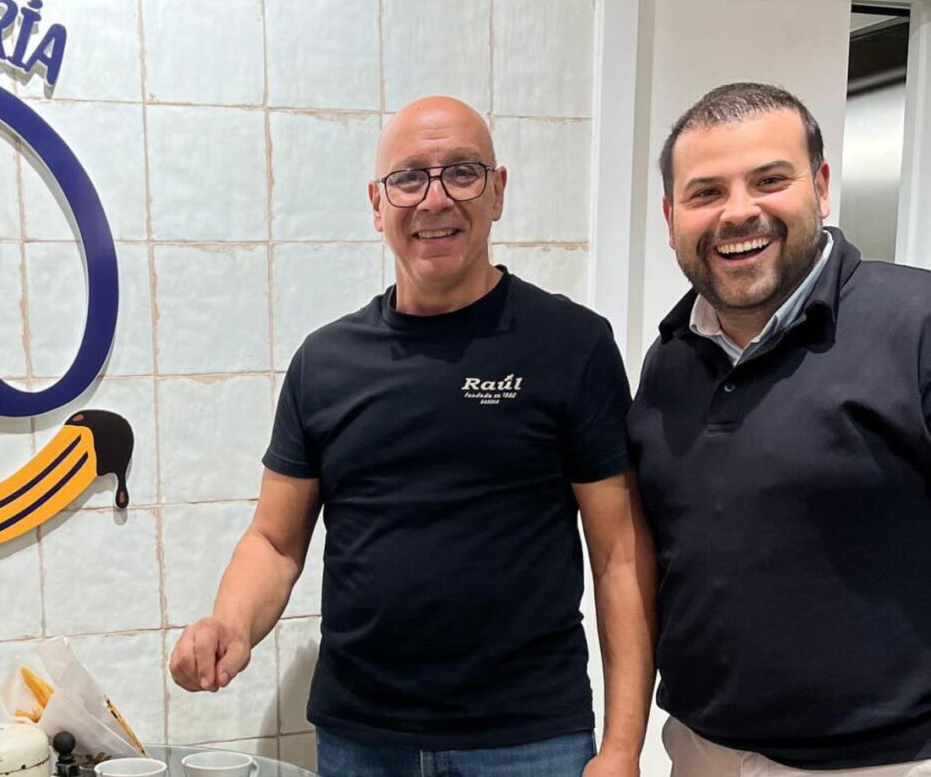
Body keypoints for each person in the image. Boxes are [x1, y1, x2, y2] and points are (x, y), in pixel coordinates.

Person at [170, 96, 657, 777]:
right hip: (362, 739)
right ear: (378, 203)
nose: (435, 198)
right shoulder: (324, 363)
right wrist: (229, 623)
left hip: (529, 740)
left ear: (497, 192)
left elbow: (619, 557)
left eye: (462, 172)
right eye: (409, 178)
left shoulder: (572, 346)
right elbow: (275, 542)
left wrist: (623, 748)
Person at [629, 81, 931, 777]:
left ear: (820, 187)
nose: (739, 212)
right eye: (706, 192)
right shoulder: (670, 358)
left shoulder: (916, 327)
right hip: (700, 752)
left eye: (769, 180)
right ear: (671, 216)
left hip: (884, 764)